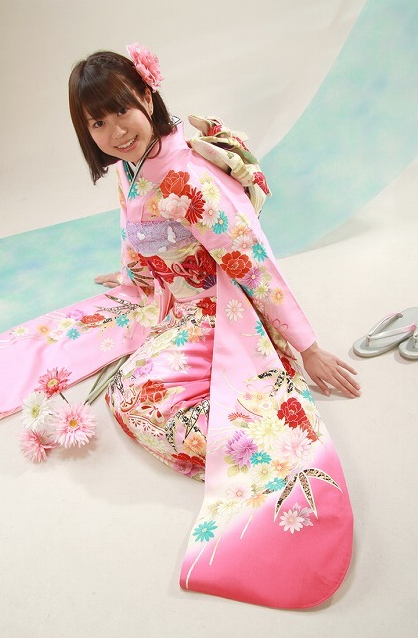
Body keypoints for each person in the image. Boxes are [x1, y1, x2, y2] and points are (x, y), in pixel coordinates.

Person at [66, 44, 358, 609]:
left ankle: (250, 453)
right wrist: (132, 274)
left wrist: (308, 346)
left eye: (122, 110)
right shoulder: (133, 166)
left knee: (141, 398)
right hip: (174, 302)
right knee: (128, 392)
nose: (115, 132)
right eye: (97, 123)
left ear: (147, 95)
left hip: (219, 307)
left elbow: (254, 263)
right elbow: (132, 229)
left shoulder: (189, 179)